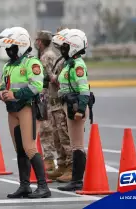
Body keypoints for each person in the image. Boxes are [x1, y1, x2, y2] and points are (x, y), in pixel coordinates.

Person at [0, 26, 51, 199]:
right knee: (19, 149)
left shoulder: (31, 63)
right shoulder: (8, 66)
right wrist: (1, 93)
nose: (8, 51)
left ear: (20, 46)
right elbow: (4, 85)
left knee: (29, 148)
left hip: (27, 108)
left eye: (11, 48)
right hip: (12, 110)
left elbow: (36, 86)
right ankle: (24, 186)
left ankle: (43, 186)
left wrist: (16, 94)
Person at [52, 29, 90, 191]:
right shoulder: (70, 63)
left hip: (75, 107)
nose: (62, 49)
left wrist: (80, 110)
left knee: (77, 146)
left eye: (65, 46)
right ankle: (76, 179)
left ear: (73, 47)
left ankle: (77, 181)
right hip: (68, 105)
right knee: (75, 144)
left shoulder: (77, 65)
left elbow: (84, 90)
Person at [35, 30, 72, 182]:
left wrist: (49, 78)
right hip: (48, 98)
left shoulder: (49, 56)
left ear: (40, 41)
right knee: (55, 134)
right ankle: (61, 165)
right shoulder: (49, 56)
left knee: (61, 134)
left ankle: (70, 167)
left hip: (55, 99)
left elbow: (53, 78)